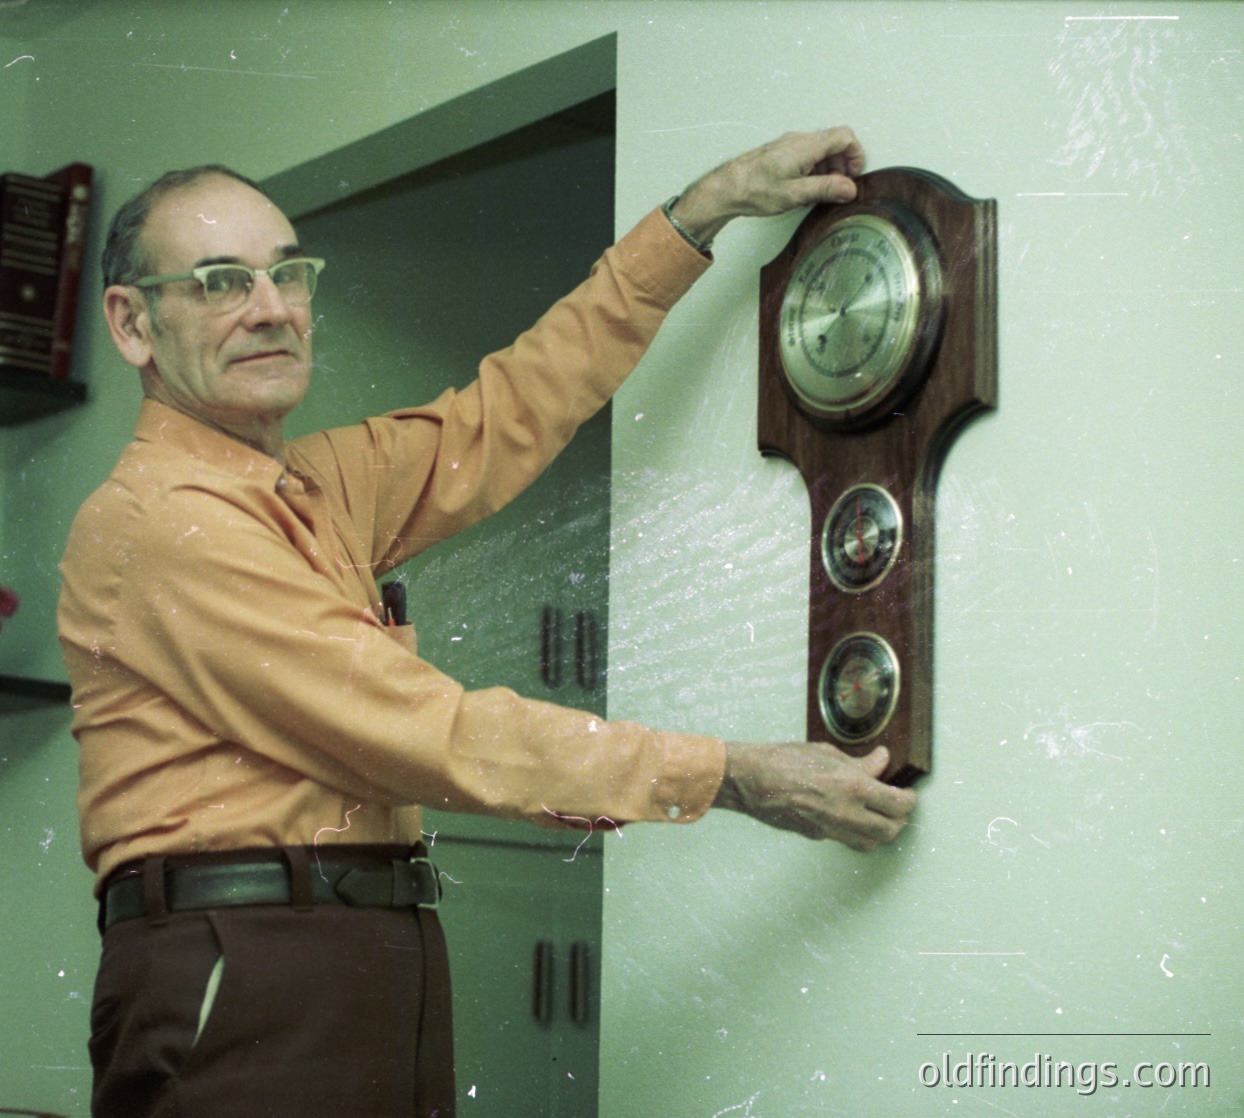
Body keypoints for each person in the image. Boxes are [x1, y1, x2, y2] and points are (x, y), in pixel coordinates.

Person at [58, 126, 918, 1118]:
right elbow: (433, 734)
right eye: (219, 282)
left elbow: (511, 408)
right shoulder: (166, 519)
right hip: (250, 973)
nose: (271, 309)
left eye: (287, 274)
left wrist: (701, 210)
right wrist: (731, 774)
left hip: (365, 953)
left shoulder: (314, 483)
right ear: (132, 324)